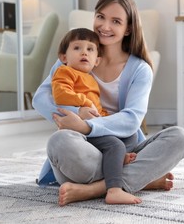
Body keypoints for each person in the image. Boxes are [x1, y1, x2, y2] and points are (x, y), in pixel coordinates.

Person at [32, 0, 184, 206]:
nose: (105, 26)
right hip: (85, 151)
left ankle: (93, 189)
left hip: (125, 149)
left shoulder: (140, 69)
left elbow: (132, 119)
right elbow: (41, 98)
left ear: (129, 28)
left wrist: (87, 125)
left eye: (115, 21)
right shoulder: (79, 53)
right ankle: (137, 180)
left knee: (180, 137)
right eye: (100, 17)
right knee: (58, 142)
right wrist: (76, 114)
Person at [51, 27, 140, 204]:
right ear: (63, 57)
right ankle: (114, 189)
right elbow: (60, 94)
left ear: (97, 60)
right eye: (77, 48)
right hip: (79, 131)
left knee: (131, 136)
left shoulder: (90, 77)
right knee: (115, 145)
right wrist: (84, 102)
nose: (84, 52)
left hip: (95, 126)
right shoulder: (65, 71)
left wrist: (104, 116)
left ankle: (115, 162)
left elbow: (97, 109)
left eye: (90, 49)